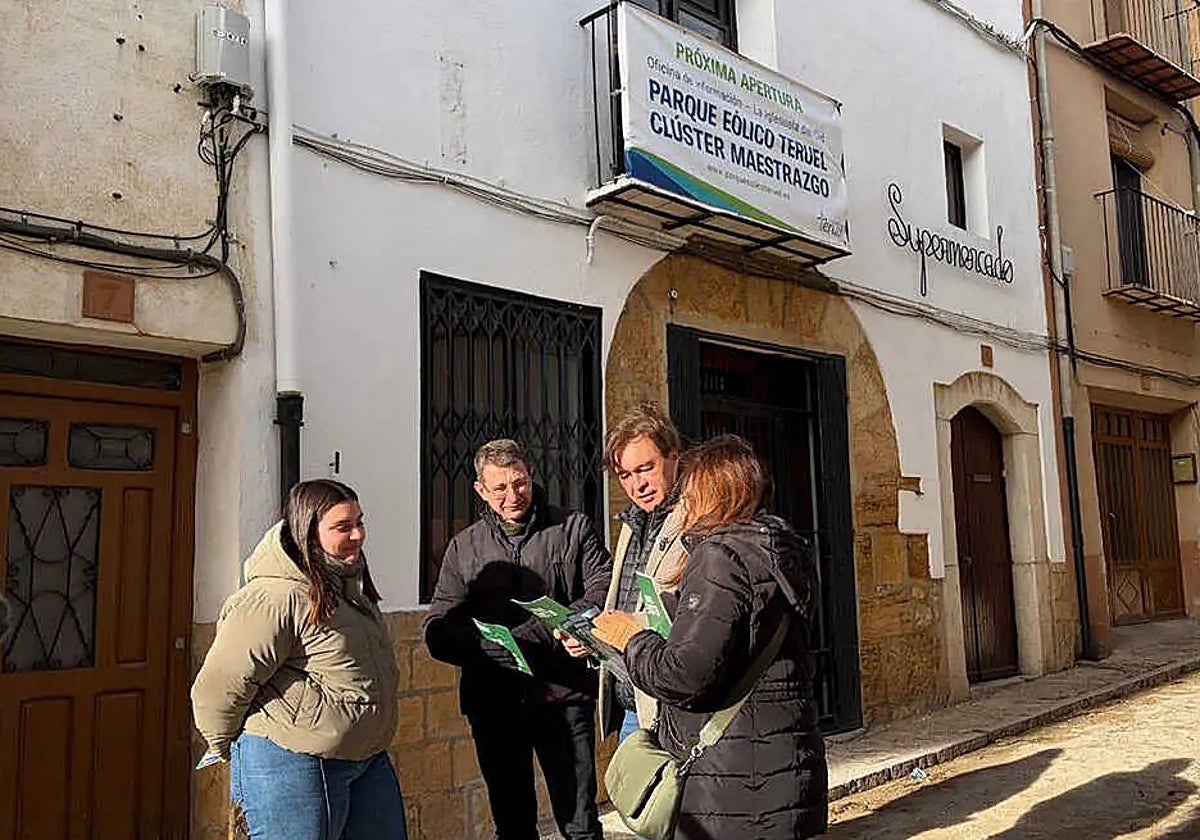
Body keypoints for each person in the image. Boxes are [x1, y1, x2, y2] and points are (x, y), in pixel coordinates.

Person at [593, 435, 828, 839]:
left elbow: (685, 675)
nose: (684, 503)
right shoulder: (779, 546)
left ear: (711, 491)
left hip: (733, 780)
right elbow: (742, 630)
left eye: (690, 492)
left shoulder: (721, 554)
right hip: (781, 765)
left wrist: (632, 638)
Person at [191, 479, 406, 840]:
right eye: (343, 527)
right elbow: (220, 686)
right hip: (292, 761)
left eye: (359, 522)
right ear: (308, 532)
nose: (357, 535)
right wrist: (226, 745)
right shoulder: (275, 596)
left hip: (366, 758)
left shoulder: (347, 586)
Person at [423, 439, 610, 840]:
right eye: (500, 488)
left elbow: (602, 588)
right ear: (480, 490)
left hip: (563, 696)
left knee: (580, 823)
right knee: (512, 825)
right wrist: (483, 646)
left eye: (519, 483)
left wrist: (563, 626)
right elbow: (438, 626)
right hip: (494, 703)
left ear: (531, 475)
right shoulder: (464, 547)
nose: (513, 496)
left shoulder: (573, 528)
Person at [589, 403, 687, 744]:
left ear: (673, 456)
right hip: (632, 698)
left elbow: (697, 612)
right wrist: (594, 635)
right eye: (625, 475)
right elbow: (625, 598)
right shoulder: (632, 522)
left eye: (646, 468)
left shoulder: (695, 521)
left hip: (670, 704)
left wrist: (630, 626)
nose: (637, 485)